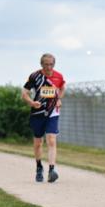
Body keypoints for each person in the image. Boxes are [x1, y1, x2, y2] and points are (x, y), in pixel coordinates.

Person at [22, 53, 65, 183]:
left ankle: (52, 170)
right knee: (38, 142)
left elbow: (62, 88)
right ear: (41, 64)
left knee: (51, 140)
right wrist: (31, 102)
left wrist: (59, 99)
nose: (49, 67)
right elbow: (24, 93)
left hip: (53, 112)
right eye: (46, 64)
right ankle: (39, 167)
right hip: (38, 112)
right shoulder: (35, 76)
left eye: (51, 64)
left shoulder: (58, 76)